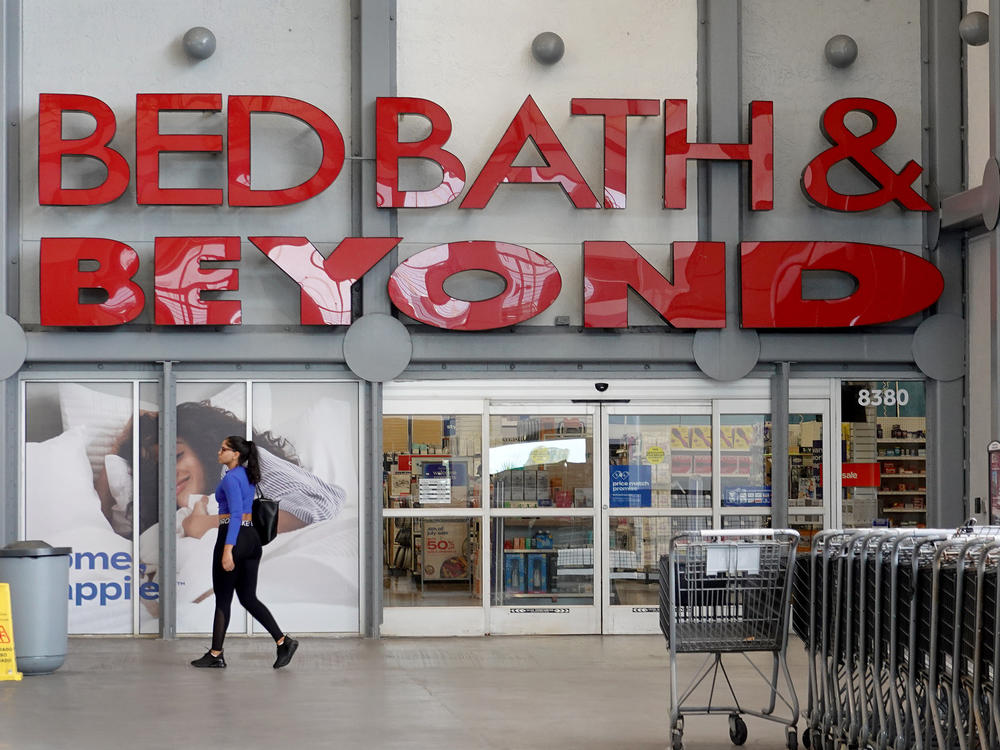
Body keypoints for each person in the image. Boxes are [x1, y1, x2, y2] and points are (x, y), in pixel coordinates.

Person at [190, 435, 298, 669]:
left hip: (233, 536)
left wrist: (228, 550)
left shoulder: (230, 479)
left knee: (223, 599)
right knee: (248, 598)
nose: (219, 452)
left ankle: (216, 654)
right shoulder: (248, 476)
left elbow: (236, 514)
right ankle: (283, 642)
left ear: (236, 454)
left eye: (223, 449)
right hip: (252, 540)